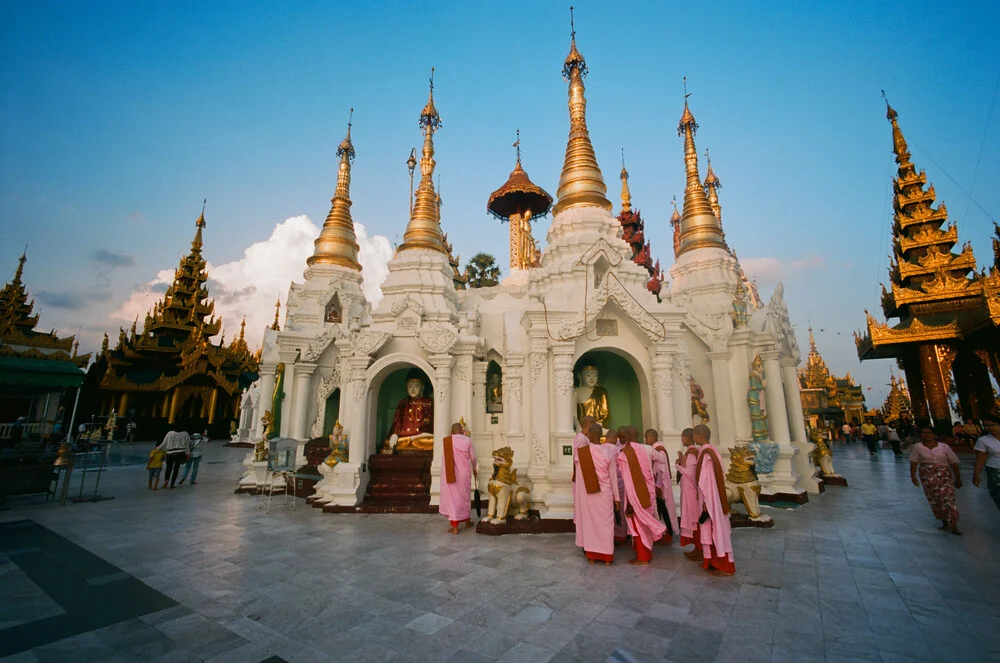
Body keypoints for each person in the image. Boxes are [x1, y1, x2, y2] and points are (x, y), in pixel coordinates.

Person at [616, 426, 665, 565]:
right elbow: (662, 459)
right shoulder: (648, 449)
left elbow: (627, 479)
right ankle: (646, 553)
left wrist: (630, 502)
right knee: (646, 523)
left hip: (634, 495)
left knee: (637, 525)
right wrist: (650, 472)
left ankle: (643, 557)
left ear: (625, 436)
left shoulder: (624, 453)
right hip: (648, 492)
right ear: (638, 435)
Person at [574, 422, 620, 565]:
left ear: (589, 435)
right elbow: (613, 477)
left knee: (591, 524)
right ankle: (607, 557)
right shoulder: (608, 452)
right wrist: (616, 498)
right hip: (605, 493)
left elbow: (580, 479)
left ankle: (592, 555)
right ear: (601, 436)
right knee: (606, 524)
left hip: (589, 493)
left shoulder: (582, 453)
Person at [694, 424, 735, 576]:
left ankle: (725, 566)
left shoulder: (706, 454)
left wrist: (706, 501)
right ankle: (711, 561)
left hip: (711, 499)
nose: (694, 438)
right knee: (710, 529)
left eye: (695, 435)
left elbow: (706, 481)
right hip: (713, 498)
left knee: (717, 529)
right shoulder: (712, 451)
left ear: (700, 436)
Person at [910, 426, 962, 535]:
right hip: (927, 476)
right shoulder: (918, 447)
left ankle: (953, 523)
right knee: (935, 498)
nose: (925, 435)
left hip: (944, 475)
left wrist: (958, 479)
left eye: (928, 433)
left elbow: (953, 463)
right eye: (923, 433)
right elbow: (914, 462)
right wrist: (913, 476)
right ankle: (944, 521)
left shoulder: (944, 447)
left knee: (948, 497)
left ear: (934, 435)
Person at [439, 422, 478, 534]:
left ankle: (455, 527)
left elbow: (444, 460)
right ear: (462, 430)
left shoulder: (448, 441)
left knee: (453, 499)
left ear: (451, 432)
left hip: (451, 473)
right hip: (464, 473)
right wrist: (475, 469)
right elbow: (473, 457)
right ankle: (467, 521)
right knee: (464, 496)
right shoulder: (467, 440)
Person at [645, 428, 677, 544]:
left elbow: (660, 470)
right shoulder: (656, 449)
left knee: (662, 510)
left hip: (660, 486)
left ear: (653, 438)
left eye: (647, 437)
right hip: (658, 485)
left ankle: (666, 534)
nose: (645, 440)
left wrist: (657, 486)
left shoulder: (659, 451)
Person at [675, 427, 702, 557]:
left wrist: (677, 466)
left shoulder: (692, 453)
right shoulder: (692, 452)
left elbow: (690, 474)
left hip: (691, 490)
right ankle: (697, 548)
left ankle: (699, 548)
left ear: (687, 437)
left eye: (682, 437)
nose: (681, 439)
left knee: (693, 518)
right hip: (689, 489)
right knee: (692, 517)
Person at [572, 416, 598, 525]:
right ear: (588, 425)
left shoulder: (583, 438)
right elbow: (583, 460)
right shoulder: (582, 439)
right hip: (583, 475)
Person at [603, 427, 627, 543]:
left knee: (607, 511)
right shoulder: (618, 451)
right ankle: (621, 535)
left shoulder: (601, 449)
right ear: (615, 439)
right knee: (620, 509)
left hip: (605, 484)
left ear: (606, 438)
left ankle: (609, 536)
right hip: (620, 483)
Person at [972, 414, 1000, 512]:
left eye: (992, 425)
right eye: (986, 426)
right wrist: (976, 474)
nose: (989, 428)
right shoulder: (983, 440)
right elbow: (980, 458)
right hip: (995, 472)